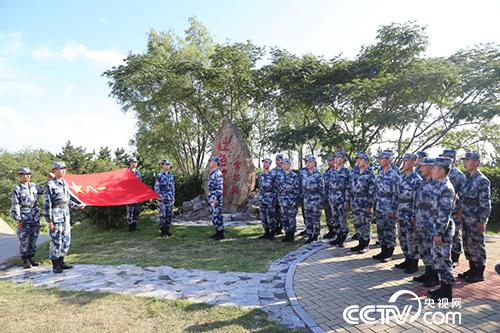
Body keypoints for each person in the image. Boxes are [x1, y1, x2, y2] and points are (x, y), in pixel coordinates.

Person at [44, 161, 85, 273]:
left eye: (64, 168)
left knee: (66, 239)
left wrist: (77, 206)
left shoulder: (65, 183)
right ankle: (55, 264)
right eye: (61, 168)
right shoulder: (50, 185)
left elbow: (67, 200)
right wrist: (49, 221)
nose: (63, 170)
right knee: (56, 240)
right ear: (55, 170)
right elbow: (47, 204)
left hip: (65, 215)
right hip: (56, 216)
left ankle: (62, 262)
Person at [458, 152, 491, 283]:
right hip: (466, 218)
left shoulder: (482, 180)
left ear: (476, 163)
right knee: (467, 245)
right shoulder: (469, 179)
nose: (465, 162)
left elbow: (485, 203)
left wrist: (482, 220)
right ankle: (472, 269)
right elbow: (464, 199)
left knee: (476, 245)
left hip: (475, 219)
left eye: (468, 160)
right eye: (464, 160)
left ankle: (479, 273)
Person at [427, 157, 456, 301]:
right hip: (434, 228)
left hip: (442, 230)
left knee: (444, 260)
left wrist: (438, 233)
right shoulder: (438, 185)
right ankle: (443, 287)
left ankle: (447, 292)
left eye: (434, 168)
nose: (431, 170)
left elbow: (444, 214)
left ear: (442, 171)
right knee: (437, 259)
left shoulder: (446, 188)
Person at [411, 158, 439, 286]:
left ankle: (434, 276)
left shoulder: (437, 184)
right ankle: (427, 272)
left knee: (432, 250)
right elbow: (417, 201)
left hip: (431, 223)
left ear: (431, 167)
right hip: (421, 221)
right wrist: (415, 215)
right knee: (423, 248)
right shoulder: (423, 182)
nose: (420, 168)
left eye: (423, 166)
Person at [394, 153, 422, 273]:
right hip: (401, 212)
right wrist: (395, 209)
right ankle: (407, 259)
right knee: (403, 238)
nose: (405, 163)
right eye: (404, 160)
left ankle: (413, 263)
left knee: (412, 239)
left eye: (408, 161)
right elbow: (397, 196)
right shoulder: (402, 177)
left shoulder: (417, 180)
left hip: (410, 214)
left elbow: (418, 200)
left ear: (414, 162)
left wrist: (415, 215)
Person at [11, 167, 43, 269]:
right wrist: (18, 219)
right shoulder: (17, 189)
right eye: (25, 174)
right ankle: (25, 259)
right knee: (25, 238)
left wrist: (51, 180)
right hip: (24, 215)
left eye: (29, 174)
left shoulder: (34, 186)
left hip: (34, 215)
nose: (27, 176)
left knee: (34, 237)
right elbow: (15, 204)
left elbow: (44, 190)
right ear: (20, 176)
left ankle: (31, 257)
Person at [373, 150, 401, 262]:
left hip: (389, 206)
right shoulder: (379, 173)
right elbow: (376, 190)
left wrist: (394, 209)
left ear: (389, 160)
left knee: (389, 230)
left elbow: (397, 194)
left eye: (383, 158)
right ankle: (383, 250)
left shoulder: (394, 175)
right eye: (380, 158)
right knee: (380, 229)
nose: (380, 160)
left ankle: (389, 253)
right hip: (380, 205)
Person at [440, 149, 466, 267]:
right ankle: (444, 257)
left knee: (455, 235)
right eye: (443, 157)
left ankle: (455, 257)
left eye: (447, 158)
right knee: (445, 234)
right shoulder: (440, 172)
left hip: (455, 210)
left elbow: (462, 195)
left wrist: (460, 211)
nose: (444, 159)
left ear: (453, 159)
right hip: (443, 210)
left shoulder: (459, 175)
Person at [349, 152, 376, 253]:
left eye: (360, 159)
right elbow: (350, 187)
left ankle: (365, 244)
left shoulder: (370, 173)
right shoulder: (354, 173)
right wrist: (350, 201)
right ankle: (360, 243)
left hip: (365, 203)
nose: (358, 161)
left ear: (366, 161)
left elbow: (372, 190)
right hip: (355, 202)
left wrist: (370, 204)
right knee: (357, 223)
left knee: (365, 224)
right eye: (357, 159)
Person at [328, 152, 351, 247]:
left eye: (338, 157)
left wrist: (347, 200)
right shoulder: (332, 171)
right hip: (333, 199)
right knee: (335, 219)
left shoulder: (346, 172)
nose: (336, 159)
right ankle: (338, 236)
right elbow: (329, 186)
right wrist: (329, 198)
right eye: (335, 158)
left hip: (342, 199)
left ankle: (343, 238)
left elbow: (348, 187)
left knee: (342, 219)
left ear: (342, 159)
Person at [301, 156, 325, 244]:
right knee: (308, 218)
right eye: (306, 162)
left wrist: (321, 201)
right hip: (307, 200)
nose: (307, 163)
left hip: (316, 200)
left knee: (315, 219)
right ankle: (310, 235)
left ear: (314, 163)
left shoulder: (318, 174)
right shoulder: (304, 174)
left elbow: (322, 189)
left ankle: (315, 235)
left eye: (309, 162)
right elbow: (303, 188)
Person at [278, 158, 300, 242]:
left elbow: (297, 189)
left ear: (289, 165)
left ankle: (291, 234)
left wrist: (295, 201)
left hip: (291, 201)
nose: (284, 165)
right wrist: (279, 200)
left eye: (285, 164)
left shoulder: (294, 176)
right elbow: (279, 188)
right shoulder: (281, 175)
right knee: (284, 218)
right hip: (283, 201)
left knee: (291, 218)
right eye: (283, 164)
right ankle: (287, 234)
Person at [154, 159, 175, 238]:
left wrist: (173, 196)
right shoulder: (159, 175)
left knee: (169, 215)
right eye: (166, 164)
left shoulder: (171, 175)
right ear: (162, 165)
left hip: (170, 198)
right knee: (163, 215)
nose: (167, 166)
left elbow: (173, 187)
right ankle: (163, 232)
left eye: (168, 164)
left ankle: (167, 230)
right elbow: (156, 187)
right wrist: (159, 197)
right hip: (162, 198)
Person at [258, 158, 276, 240]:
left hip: (270, 198)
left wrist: (274, 199)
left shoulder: (272, 175)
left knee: (270, 216)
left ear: (269, 164)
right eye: (264, 162)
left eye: (266, 162)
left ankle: (272, 233)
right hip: (262, 198)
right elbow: (259, 186)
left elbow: (276, 188)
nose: (264, 164)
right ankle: (266, 232)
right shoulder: (260, 175)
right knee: (263, 216)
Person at [208, 156, 224, 240]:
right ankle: (217, 232)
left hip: (215, 197)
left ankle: (220, 234)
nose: (210, 163)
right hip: (212, 196)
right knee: (214, 216)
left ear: (215, 163)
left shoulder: (218, 173)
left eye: (211, 161)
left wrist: (216, 198)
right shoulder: (213, 173)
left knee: (217, 215)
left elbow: (219, 187)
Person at [270, 154, 285, 234]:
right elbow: (270, 183)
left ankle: (281, 227)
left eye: (279, 160)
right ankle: (275, 228)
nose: (277, 161)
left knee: (283, 212)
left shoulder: (285, 170)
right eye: (276, 160)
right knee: (275, 212)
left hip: (283, 196)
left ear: (282, 160)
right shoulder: (273, 171)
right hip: (275, 195)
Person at [126, 156, 142, 231]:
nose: (135, 163)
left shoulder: (138, 172)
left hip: (137, 195)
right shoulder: (127, 172)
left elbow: (141, 184)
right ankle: (130, 227)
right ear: (130, 163)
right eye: (133, 162)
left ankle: (135, 226)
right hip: (129, 195)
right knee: (130, 211)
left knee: (136, 211)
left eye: (135, 162)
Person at [322, 156, 336, 239]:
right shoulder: (326, 172)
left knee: (336, 216)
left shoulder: (337, 171)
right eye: (328, 160)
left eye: (330, 160)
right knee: (328, 215)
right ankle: (331, 231)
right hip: (327, 198)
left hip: (335, 198)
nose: (329, 162)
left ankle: (338, 233)